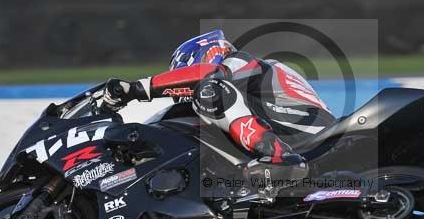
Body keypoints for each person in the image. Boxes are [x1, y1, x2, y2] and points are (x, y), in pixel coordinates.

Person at [100, 30, 335, 185]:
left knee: (209, 92)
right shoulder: (252, 83)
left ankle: (277, 157)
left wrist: (136, 89)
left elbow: (206, 76)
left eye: (181, 72)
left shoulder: (239, 61)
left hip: (306, 136)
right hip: (299, 132)